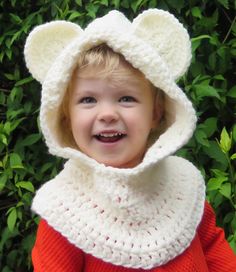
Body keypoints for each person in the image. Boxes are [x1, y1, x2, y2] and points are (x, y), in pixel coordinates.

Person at [24, 9, 236, 271]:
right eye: (88, 100)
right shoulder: (64, 211)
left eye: (126, 99)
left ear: (156, 113)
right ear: (66, 116)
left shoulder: (182, 183)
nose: (108, 114)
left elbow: (213, 246)